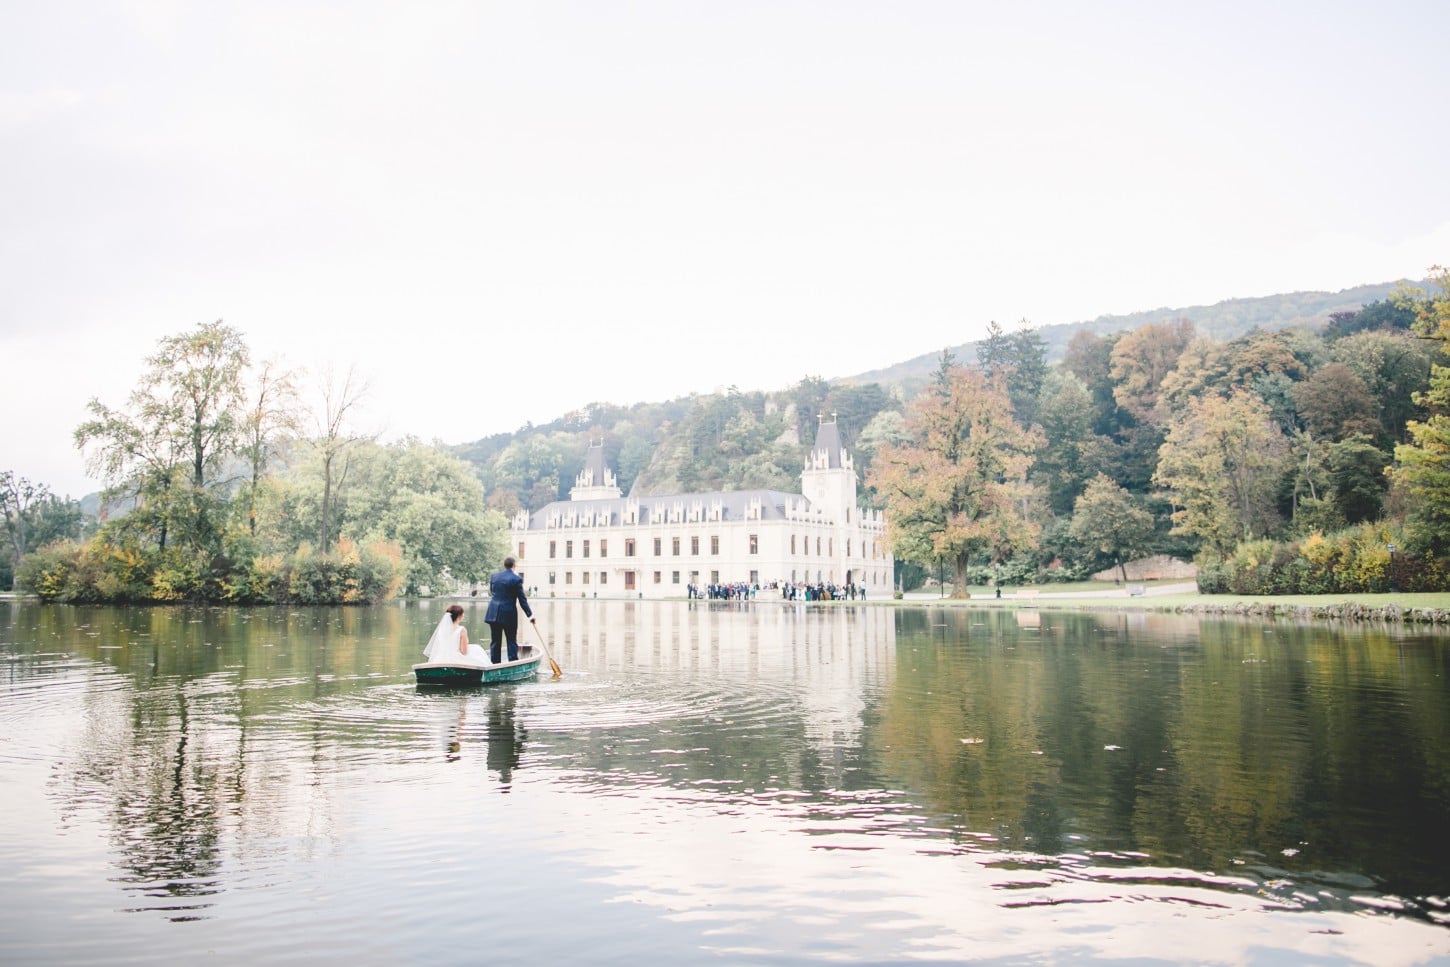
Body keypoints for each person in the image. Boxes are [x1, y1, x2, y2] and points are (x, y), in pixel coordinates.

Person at [485, 556, 535, 663]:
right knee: (511, 640)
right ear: (514, 565)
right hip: (508, 615)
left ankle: (494, 664)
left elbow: (492, 592)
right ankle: (513, 662)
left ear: (504, 565)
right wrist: (530, 615)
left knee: (495, 641)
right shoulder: (516, 579)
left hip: (493, 613)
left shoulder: (494, 576)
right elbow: (522, 600)